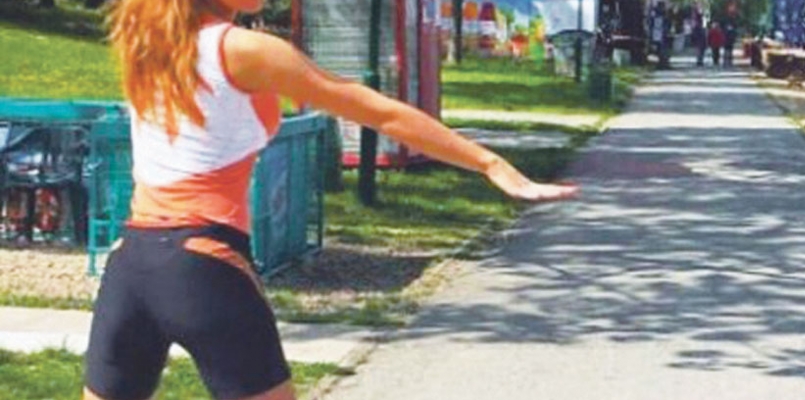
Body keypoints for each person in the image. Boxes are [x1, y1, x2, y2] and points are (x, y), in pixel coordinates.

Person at [83, 1, 578, 400]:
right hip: (201, 267)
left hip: (131, 264)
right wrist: (490, 163)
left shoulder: (146, 44)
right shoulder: (243, 49)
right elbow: (379, 112)